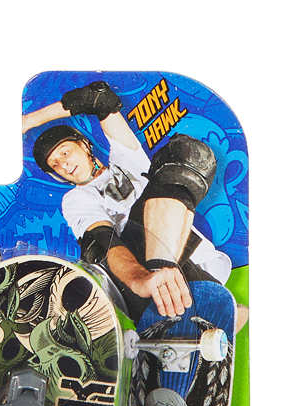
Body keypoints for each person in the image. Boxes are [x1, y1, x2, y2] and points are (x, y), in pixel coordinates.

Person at [22, 81, 229, 321]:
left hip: (202, 263)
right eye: (55, 165)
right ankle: (163, 281)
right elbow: (104, 242)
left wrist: (27, 122)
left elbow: (101, 99)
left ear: (84, 145)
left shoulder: (127, 160)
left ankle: (183, 292)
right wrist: (140, 280)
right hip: (141, 273)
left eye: (65, 152)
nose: (63, 164)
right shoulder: (76, 198)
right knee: (107, 243)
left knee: (187, 152)